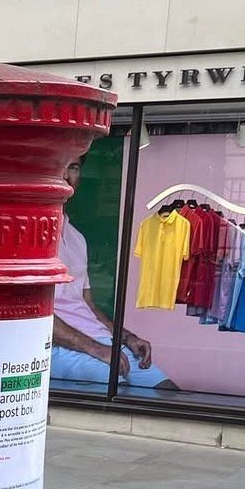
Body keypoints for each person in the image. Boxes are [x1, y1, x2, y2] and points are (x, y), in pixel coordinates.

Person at [52, 158, 176, 391]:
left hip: (99, 341)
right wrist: (96, 349)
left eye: (74, 167)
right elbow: (32, 314)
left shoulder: (77, 238)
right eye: (61, 165)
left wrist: (126, 337)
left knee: (167, 391)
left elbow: (87, 304)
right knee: (120, 395)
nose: (67, 175)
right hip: (59, 347)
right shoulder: (35, 236)